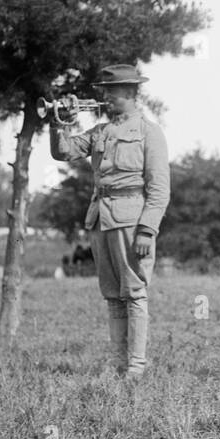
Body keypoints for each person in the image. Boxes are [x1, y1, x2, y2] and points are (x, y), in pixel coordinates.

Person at [49, 64, 170, 390]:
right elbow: (64, 152)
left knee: (134, 293)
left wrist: (148, 230)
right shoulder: (100, 131)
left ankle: (136, 367)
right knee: (113, 296)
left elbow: (159, 189)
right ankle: (117, 365)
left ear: (131, 93)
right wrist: (58, 121)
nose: (105, 98)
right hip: (101, 217)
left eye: (111, 92)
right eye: (105, 91)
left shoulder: (149, 132)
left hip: (132, 220)